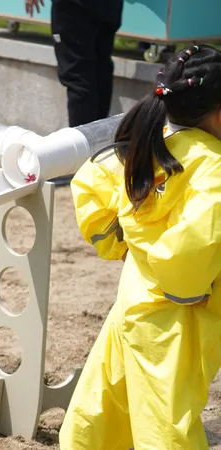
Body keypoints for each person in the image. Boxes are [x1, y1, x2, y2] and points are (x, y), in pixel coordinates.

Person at [61, 45, 221, 449]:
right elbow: (194, 246)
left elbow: (91, 186)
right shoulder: (214, 165)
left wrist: (124, 245)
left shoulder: (150, 138)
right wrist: (190, 290)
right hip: (180, 318)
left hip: (132, 298)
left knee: (103, 406)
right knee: (166, 425)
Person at [25, 0, 124, 185]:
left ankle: (79, 161)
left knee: (80, 75)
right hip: (108, 7)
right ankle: (96, 154)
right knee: (99, 71)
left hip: (75, 7)